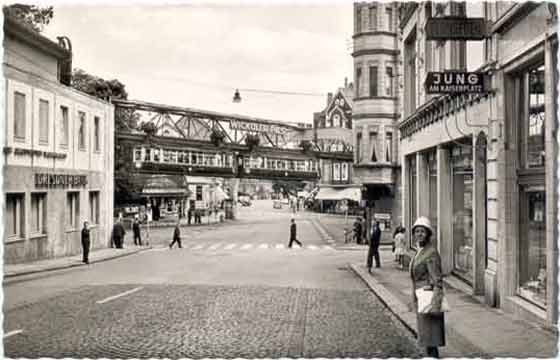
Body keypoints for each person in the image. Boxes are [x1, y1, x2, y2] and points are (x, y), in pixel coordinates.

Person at [410, 216, 445, 358]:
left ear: (428, 234)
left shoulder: (431, 253)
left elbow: (438, 281)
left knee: (430, 339)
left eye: (423, 231)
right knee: (427, 339)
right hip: (421, 298)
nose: (419, 234)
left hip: (428, 301)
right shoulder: (421, 250)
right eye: (417, 231)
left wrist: (435, 306)